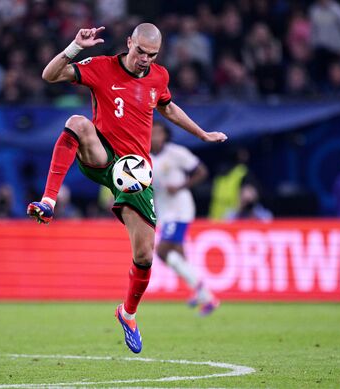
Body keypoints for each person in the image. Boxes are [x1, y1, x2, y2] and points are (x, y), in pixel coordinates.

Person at [26, 24, 227, 353]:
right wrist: (75, 47)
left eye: (152, 55)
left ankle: (128, 313)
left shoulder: (158, 77)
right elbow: (50, 76)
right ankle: (49, 201)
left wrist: (202, 134)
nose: (145, 60)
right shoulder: (101, 67)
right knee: (77, 122)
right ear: (129, 43)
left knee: (145, 255)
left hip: (134, 175)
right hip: (103, 156)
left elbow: (168, 108)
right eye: (140, 52)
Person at [150, 121, 219, 316]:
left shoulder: (176, 153)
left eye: (158, 133)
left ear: (165, 135)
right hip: (164, 210)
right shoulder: (144, 158)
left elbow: (202, 171)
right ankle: (204, 295)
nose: (154, 137)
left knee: (162, 251)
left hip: (180, 208)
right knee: (179, 255)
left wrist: (180, 187)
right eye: (151, 133)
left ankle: (205, 294)